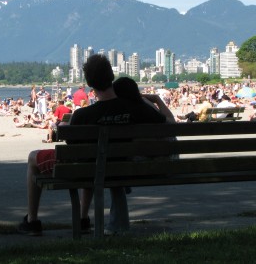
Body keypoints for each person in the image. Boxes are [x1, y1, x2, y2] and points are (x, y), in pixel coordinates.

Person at [18, 54, 166, 236]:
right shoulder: (136, 108)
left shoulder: (82, 116)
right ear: (112, 76)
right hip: (121, 167)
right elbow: (163, 123)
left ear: (89, 83)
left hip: (89, 167)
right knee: (91, 159)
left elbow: (73, 145)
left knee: (35, 157)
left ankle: (32, 221)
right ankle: (82, 219)